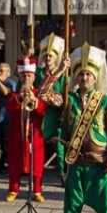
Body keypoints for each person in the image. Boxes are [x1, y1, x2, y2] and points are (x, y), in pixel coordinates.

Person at [47, 44, 107, 213]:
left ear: (95, 78)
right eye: (81, 74)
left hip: (99, 168)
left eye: (88, 74)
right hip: (75, 165)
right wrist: (58, 71)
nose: (84, 77)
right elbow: (43, 95)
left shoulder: (106, 102)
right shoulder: (68, 98)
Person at [4, 57, 46, 202]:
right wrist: (20, 97)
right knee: (15, 161)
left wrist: (34, 100)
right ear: (20, 77)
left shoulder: (39, 93)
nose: (26, 78)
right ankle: (13, 189)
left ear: (34, 77)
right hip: (17, 135)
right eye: (24, 76)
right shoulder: (14, 94)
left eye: (29, 76)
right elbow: (9, 108)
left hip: (34, 134)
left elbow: (42, 112)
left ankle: (37, 191)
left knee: (37, 162)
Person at [37, 34, 67, 178]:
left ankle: (63, 174)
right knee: (36, 147)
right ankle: (36, 176)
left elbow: (65, 93)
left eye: (50, 56)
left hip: (56, 114)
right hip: (39, 113)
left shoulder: (63, 74)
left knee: (60, 147)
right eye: (46, 55)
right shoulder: (38, 73)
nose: (48, 58)